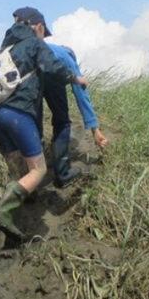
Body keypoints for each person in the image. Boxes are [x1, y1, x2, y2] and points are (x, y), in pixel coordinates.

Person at [0, 7, 86, 238]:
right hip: (16, 114)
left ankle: (22, 206)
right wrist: (75, 78)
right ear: (39, 26)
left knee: (17, 164)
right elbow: (53, 67)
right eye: (43, 31)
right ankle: (4, 211)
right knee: (38, 169)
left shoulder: (3, 49)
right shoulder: (35, 43)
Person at [39, 36, 109, 187]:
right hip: (51, 76)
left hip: (31, 75)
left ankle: (31, 179)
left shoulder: (41, 48)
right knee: (62, 121)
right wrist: (95, 129)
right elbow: (81, 93)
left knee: (33, 121)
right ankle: (62, 173)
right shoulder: (66, 56)